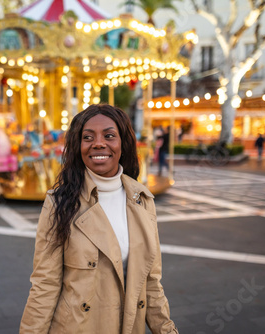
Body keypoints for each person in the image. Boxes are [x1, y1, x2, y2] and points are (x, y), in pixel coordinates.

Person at [20, 104, 178, 334]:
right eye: (88, 137)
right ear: (78, 146)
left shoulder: (142, 199)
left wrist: (167, 329)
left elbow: (151, 282)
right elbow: (45, 284)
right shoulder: (59, 203)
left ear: (123, 144)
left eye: (109, 135)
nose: (98, 143)